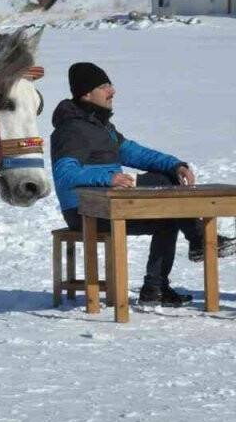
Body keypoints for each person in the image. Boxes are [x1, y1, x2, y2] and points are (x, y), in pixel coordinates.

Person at [50, 62, 235, 306]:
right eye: (104, 86)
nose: (112, 90)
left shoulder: (101, 126)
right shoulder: (71, 130)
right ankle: (198, 239)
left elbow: (134, 152)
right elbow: (65, 174)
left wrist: (173, 164)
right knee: (164, 187)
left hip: (111, 204)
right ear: (86, 93)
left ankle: (155, 287)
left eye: (110, 84)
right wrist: (108, 178)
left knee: (168, 210)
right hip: (85, 210)